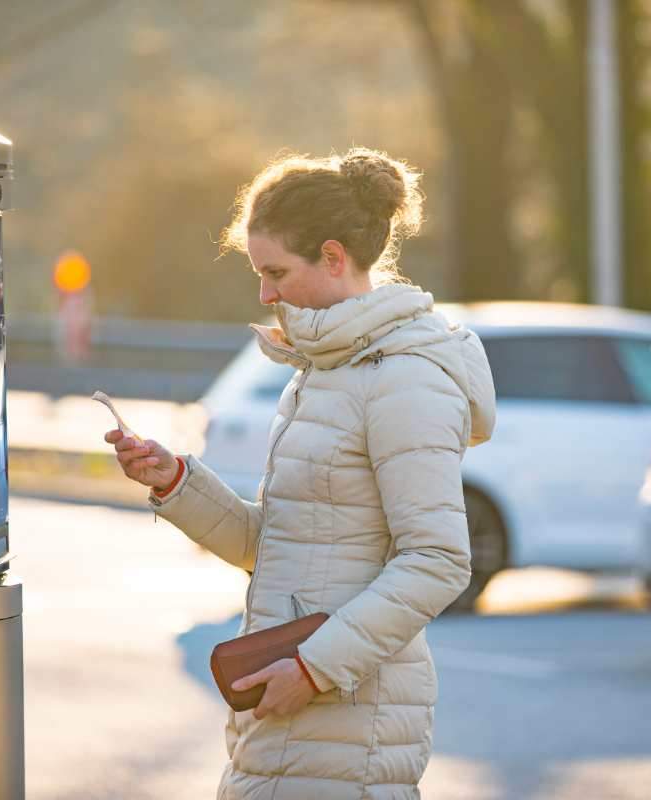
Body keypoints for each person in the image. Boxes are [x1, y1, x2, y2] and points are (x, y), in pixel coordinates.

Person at [105, 147, 496, 799]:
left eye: (276, 271)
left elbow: (438, 560)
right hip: (291, 717)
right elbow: (282, 543)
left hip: (344, 727)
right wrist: (175, 482)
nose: (264, 293)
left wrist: (313, 670)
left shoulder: (404, 378)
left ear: (335, 258)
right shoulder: (325, 368)